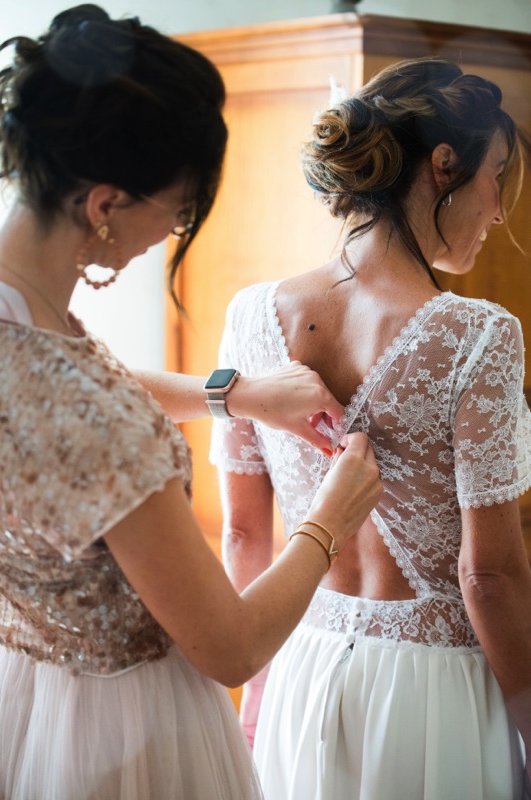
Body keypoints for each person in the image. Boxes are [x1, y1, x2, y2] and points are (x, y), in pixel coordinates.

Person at [0, 6, 383, 799]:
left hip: (27, 690)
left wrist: (234, 394)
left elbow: (55, 400)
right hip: (122, 736)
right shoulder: (87, 419)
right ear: (104, 204)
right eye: (175, 209)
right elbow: (232, 646)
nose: (170, 231)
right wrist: (329, 521)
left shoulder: (17, 315)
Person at [211, 56, 531, 799]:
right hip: (437, 695)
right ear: (443, 165)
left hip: (299, 665)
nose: (497, 211)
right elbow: (488, 575)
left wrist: (257, 687)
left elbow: (242, 538)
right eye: (496, 177)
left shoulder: (250, 314)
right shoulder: (479, 334)